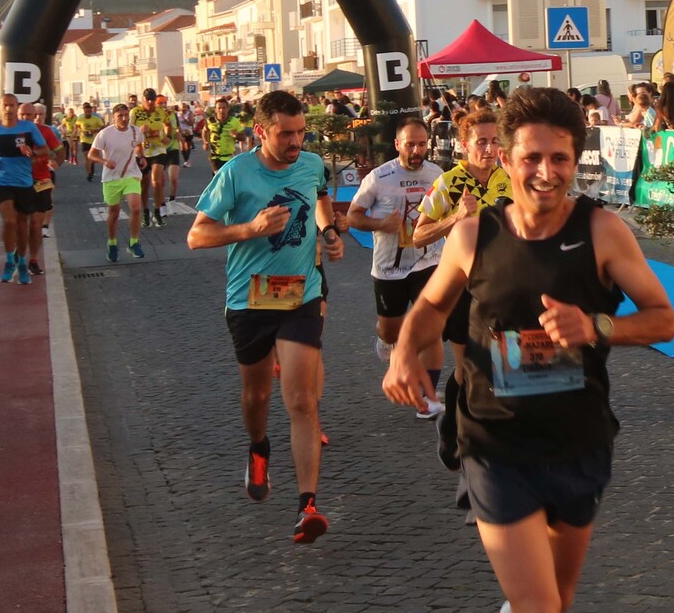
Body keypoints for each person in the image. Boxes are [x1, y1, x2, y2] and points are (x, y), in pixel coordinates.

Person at [380, 86, 674, 613]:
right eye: (532, 159)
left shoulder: (603, 230)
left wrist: (598, 327)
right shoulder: (475, 232)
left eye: (561, 160)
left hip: (578, 442)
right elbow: (430, 305)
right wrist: (407, 350)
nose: (547, 173)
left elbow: (662, 318)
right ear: (504, 162)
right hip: (493, 443)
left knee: (555, 607)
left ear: (577, 162)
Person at [188, 89, 342, 544]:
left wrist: (328, 231)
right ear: (261, 131)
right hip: (249, 301)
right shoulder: (236, 174)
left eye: (300, 132)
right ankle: (258, 448)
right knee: (256, 396)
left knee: (301, 400)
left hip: (301, 296)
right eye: (285, 134)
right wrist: (248, 229)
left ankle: (307, 506)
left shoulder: (311, 163)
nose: (295, 142)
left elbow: (318, 197)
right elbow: (197, 237)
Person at [414, 104, 514, 462]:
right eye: (481, 142)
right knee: (470, 368)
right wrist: (455, 217)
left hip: (503, 286)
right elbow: (418, 235)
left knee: (505, 363)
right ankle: (454, 429)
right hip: (462, 287)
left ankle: (498, 437)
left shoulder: (509, 179)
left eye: (494, 141)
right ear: (464, 146)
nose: (489, 149)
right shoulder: (449, 182)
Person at [350, 116, 446, 419]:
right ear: (397, 145)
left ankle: (427, 397)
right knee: (391, 330)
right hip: (390, 266)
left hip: (429, 261)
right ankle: (386, 340)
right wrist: (381, 224)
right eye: (410, 145)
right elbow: (353, 216)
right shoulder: (379, 177)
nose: (416, 150)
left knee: (432, 332)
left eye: (421, 144)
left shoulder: (438, 174)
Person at [0, 96, 50, 284]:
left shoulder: (28, 128)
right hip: (1, 181)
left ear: (16, 107)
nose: (8, 109)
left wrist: (32, 153)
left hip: (24, 182)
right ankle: (10, 261)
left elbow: (45, 150)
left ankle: (22, 263)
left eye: (12, 105)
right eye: (5, 106)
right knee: (9, 220)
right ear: (0, 108)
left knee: (21, 224)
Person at [89, 103, 147, 260]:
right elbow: (91, 154)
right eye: (120, 116)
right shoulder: (105, 134)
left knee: (135, 207)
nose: (124, 119)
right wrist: (104, 161)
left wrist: (141, 157)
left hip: (131, 175)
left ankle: (134, 243)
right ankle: (112, 243)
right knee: (113, 214)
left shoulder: (135, 131)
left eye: (126, 115)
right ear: (113, 117)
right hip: (111, 177)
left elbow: (138, 146)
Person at [22, 101, 64, 274]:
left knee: (36, 223)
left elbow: (60, 151)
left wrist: (56, 163)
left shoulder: (47, 131)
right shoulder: (12, 132)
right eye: (22, 115)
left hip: (42, 179)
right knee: (21, 223)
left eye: (30, 115)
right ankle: (18, 257)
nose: (28, 118)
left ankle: (33, 259)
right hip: (19, 182)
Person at [132, 88, 180, 227]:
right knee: (144, 184)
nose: (150, 102)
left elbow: (168, 124)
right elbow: (129, 130)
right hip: (142, 151)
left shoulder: (161, 111)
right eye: (148, 99)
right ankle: (146, 212)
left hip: (158, 149)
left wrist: (167, 137)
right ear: (143, 99)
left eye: (153, 100)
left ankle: (158, 211)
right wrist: (140, 132)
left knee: (156, 182)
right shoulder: (135, 112)